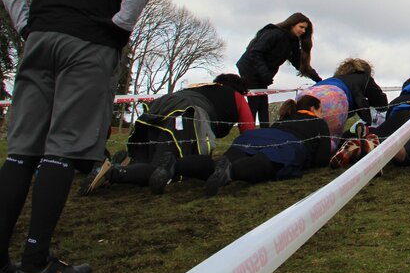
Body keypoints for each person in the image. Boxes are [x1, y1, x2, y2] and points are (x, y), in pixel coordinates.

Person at [0, 0, 160, 273]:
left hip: (41, 37)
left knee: (21, 150)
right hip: (88, 40)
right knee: (61, 150)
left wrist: (25, 23)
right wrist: (123, 23)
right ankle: (35, 260)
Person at [85, 73, 256, 195]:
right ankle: (111, 173)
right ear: (240, 90)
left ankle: (126, 163)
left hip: (159, 106)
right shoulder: (237, 96)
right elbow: (249, 133)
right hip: (186, 112)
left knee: (150, 159)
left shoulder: (200, 88)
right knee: (164, 168)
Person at [166, 95, 332, 196]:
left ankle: (176, 165)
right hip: (288, 144)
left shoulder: (284, 118)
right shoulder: (319, 123)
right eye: (321, 110)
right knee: (266, 163)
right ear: (313, 108)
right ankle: (231, 172)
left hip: (255, 136)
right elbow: (322, 159)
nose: (322, 114)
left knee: (219, 163)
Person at [236, 13, 322, 127]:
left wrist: (319, 80)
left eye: (305, 28)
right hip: (249, 68)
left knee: (262, 103)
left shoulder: (293, 43)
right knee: (255, 102)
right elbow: (255, 52)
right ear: (292, 24)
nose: (303, 31)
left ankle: (264, 131)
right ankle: (248, 133)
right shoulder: (274, 33)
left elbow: (300, 64)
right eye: (301, 27)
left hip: (262, 74)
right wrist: (265, 73)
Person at [305, 58, 388, 142]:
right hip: (333, 98)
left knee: (304, 136)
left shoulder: (334, 78)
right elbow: (382, 104)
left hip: (307, 94)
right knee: (329, 141)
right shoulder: (364, 77)